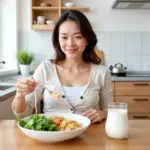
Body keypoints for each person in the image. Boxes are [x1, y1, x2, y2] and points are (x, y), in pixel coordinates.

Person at [12, 10, 112, 124]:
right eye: (64, 37)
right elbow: (23, 114)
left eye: (78, 37)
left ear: (87, 39)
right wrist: (19, 95)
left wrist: (103, 113)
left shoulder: (101, 73)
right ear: (57, 40)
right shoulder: (45, 68)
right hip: (51, 136)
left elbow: (109, 109)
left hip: (89, 137)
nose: (70, 43)